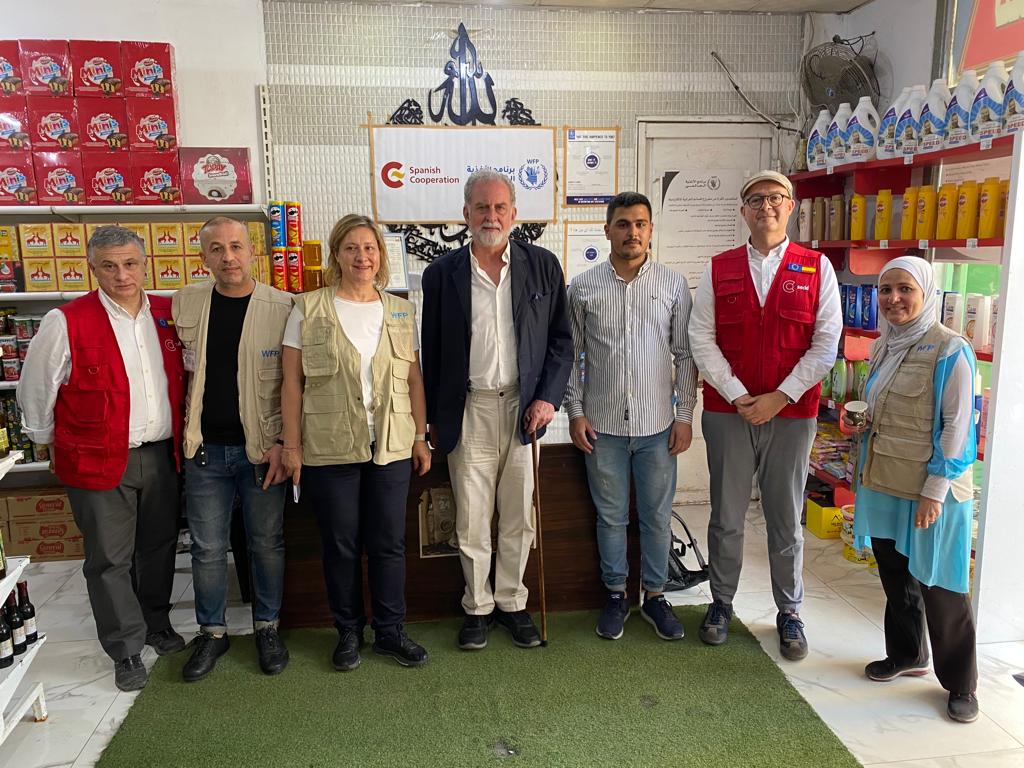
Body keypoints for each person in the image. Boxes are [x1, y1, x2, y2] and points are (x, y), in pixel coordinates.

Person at [17, 225, 185, 691]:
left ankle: (155, 622)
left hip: (162, 453)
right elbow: (37, 387)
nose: (121, 275)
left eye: (130, 264)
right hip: (95, 457)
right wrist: (48, 443)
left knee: (158, 546)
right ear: (92, 268)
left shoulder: (169, 313)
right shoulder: (66, 320)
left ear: (145, 264)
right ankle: (125, 647)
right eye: (109, 266)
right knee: (109, 558)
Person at [689, 170, 842, 660]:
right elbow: (701, 338)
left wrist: (781, 396)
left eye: (776, 198)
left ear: (791, 206)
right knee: (726, 515)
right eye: (755, 200)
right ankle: (721, 603)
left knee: (785, 517)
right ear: (743, 211)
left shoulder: (816, 268)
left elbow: (826, 344)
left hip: (791, 415)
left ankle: (789, 611)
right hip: (728, 412)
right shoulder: (719, 268)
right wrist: (738, 395)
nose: (766, 207)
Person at [421, 169, 573, 651]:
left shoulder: (543, 265)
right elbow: (431, 351)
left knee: (518, 516)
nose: (491, 216)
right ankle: (477, 607)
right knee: (470, 517)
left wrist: (547, 398)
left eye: (500, 207)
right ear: (465, 213)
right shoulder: (440, 274)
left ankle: (511, 602)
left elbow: (562, 341)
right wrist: (430, 419)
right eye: (482, 207)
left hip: (524, 410)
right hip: (467, 410)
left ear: (514, 214)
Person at [280, 214, 430, 671]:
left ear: (380, 255)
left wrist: (420, 437)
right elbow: (291, 383)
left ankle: (390, 631)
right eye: (351, 248)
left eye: (369, 248)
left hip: (391, 444)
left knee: (388, 543)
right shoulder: (307, 308)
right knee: (341, 543)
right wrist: (291, 446)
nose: (362, 257)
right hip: (329, 447)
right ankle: (348, 630)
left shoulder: (401, 310)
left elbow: (414, 379)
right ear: (337, 255)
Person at [847, 256, 979, 724]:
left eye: (905, 289)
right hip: (885, 476)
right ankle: (907, 654)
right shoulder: (884, 345)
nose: (893, 299)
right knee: (895, 573)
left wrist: (935, 490)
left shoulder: (950, 349)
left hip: (930, 488)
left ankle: (961, 684)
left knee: (940, 583)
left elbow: (958, 427)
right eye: (885, 290)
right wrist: (860, 422)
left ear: (927, 293)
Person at [564, 191, 698, 641]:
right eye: (623, 224)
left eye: (640, 224)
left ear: (651, 230)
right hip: (601, 429)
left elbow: (685, 355)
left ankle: (656, 596)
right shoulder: (582, 288)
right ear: (607, 230)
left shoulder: (673, 285)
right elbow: (571, 356)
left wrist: (684, 415)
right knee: (611, 517)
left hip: (658, 427)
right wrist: (576, 412)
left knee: (657, 516)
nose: (632, 232)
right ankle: (617, 594)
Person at [171, 217, 293, 682]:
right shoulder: (185, 302)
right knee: (206, 548)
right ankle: (212, 632)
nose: (228, 257)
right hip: (204, 450)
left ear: (252, 251)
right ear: (203, 256)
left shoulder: (283, 306)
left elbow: (295, 384)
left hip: (262, 451)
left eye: (237, 246)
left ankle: (267, 626)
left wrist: (285, 443)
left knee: (266, 543)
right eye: (217, 249)